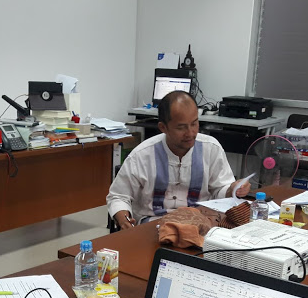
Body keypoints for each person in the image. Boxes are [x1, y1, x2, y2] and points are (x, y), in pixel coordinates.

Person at [107, 91, 251, 230]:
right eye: (181, 127)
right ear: (163, 127)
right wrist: (124, 220)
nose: (190, 133)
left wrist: (232, 189)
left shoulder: (211, 148)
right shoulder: (141, 155)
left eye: (194, 124)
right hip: (153, 225)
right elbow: (118, 197)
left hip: (200, 223)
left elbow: (220, 190)